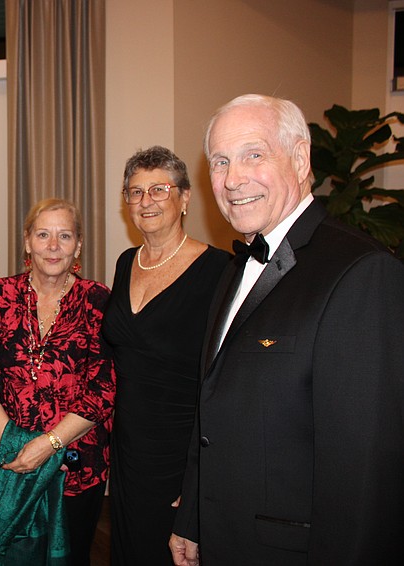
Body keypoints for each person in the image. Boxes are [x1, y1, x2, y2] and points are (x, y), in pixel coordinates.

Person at [169, 94, 404, 566]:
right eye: (220, 162)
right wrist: (192, 518)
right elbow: (211, 407)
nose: (233, 179)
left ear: (300, 160)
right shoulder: (235, 268)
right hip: (223, 538)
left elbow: (365, 471)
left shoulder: (360, 272)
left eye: (254, 155)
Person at [0, 198, 115, 565]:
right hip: (8, 460)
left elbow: (103, 389)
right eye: (43, 234)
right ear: (27, 240)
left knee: (71, 557)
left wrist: (48, 446)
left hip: (76, 466)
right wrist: (20, 446)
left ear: (78, 245)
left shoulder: (99, 301)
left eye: (64, 236)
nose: (52, 246)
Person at [103, 146, 230, 565]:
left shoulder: (220, 271)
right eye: (135, 192)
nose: (146, 201)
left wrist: (198, 481)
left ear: (185, 198)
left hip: (183, 454)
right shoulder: (125, 263)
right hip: (128, 453)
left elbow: (227, 383)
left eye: (159, 189)